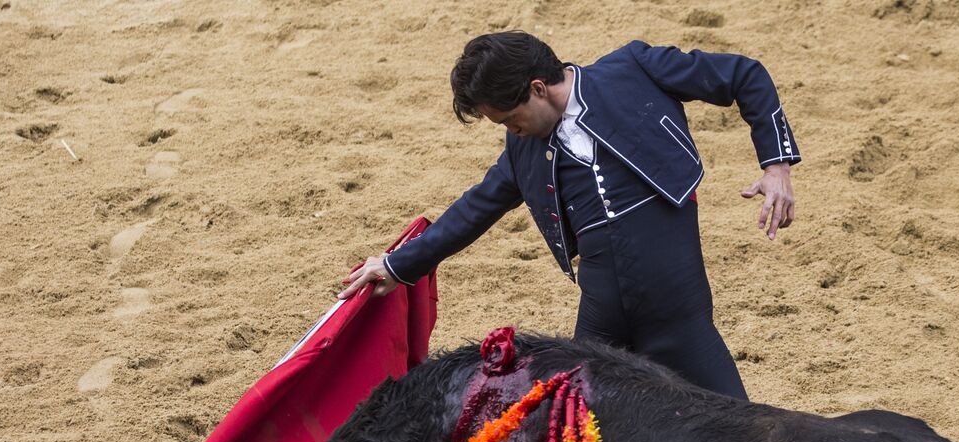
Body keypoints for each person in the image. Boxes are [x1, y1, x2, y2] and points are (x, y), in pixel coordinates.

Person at [338, 31, 801, 401]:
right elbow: (475, 209)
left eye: (508, 119)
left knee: (739, 429)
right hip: (603, 320)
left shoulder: (633, 68)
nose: (510, 131)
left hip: (678, 310)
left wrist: (775, 166)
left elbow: (745, 75)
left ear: (538, 89)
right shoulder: (522, 149)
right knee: (573, 430)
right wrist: (399, 265)